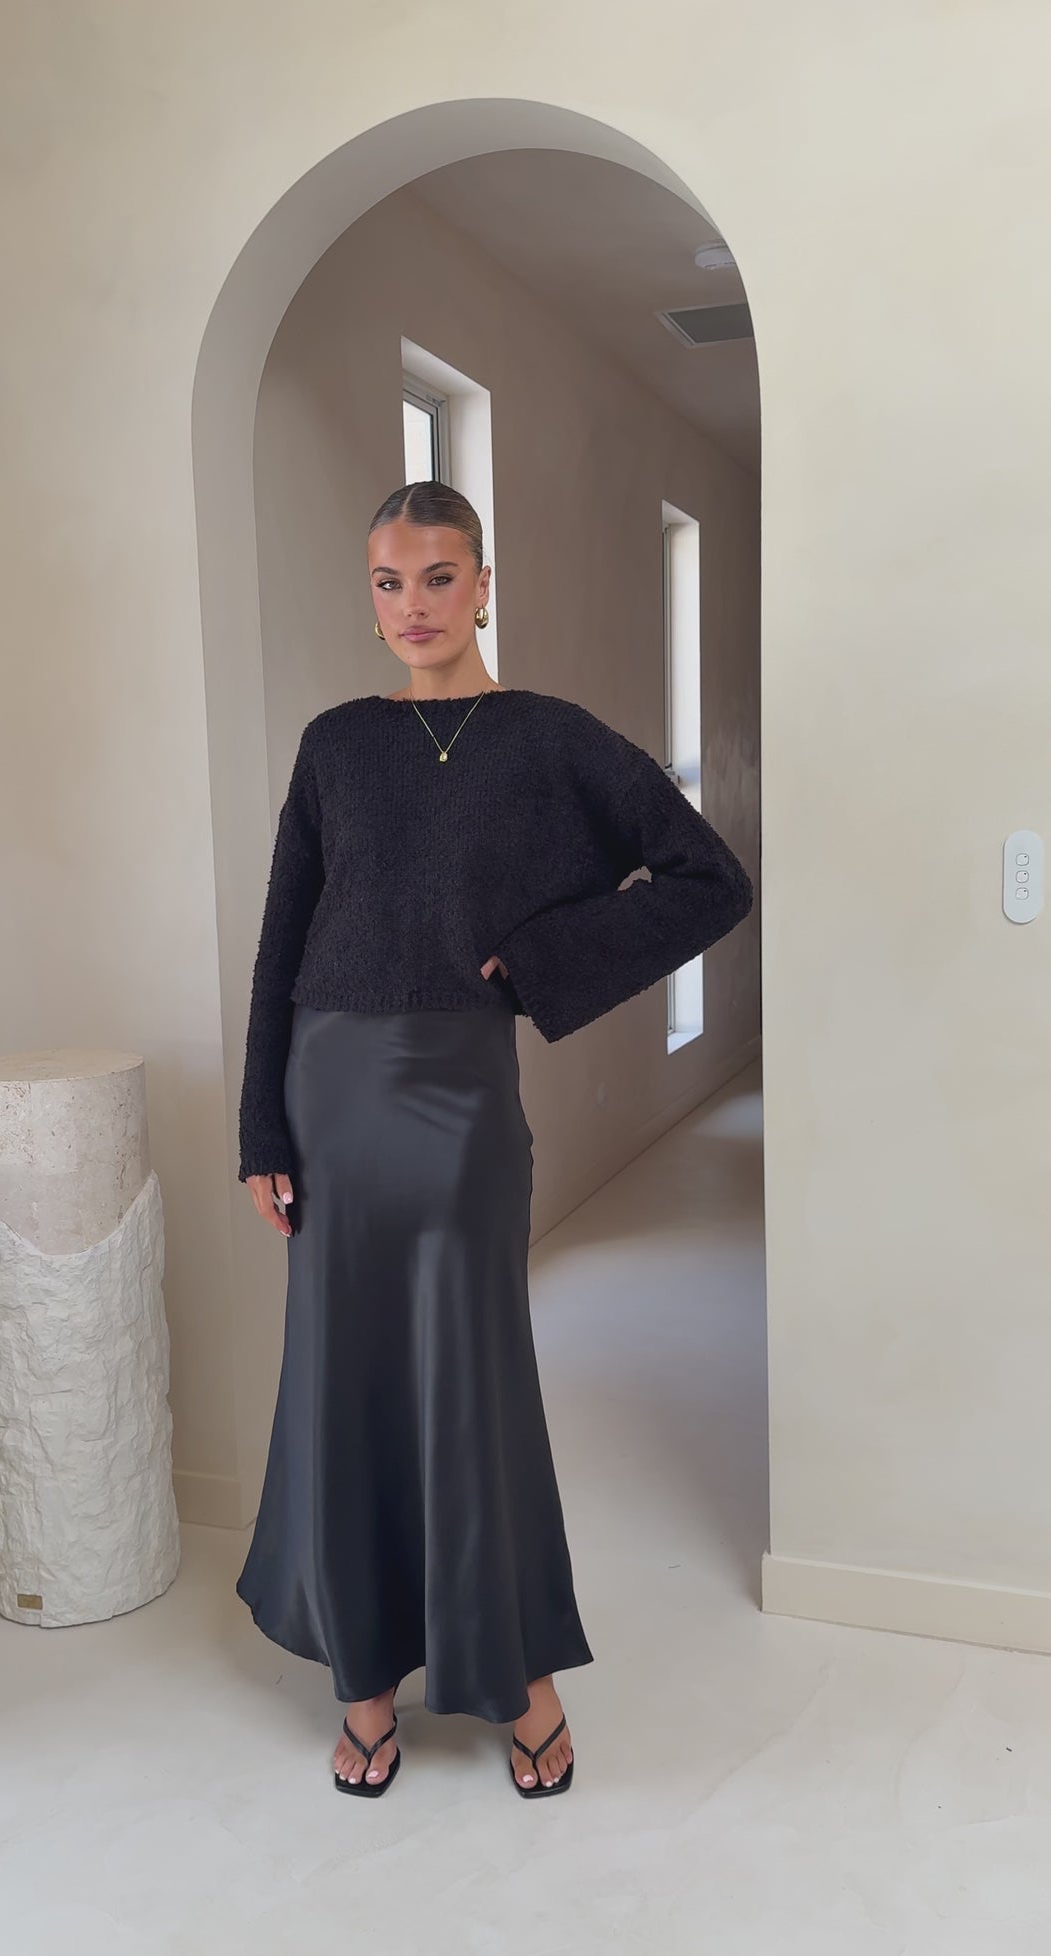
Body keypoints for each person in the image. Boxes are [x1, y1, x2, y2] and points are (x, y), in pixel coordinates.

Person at [235, 480, 753, 1799]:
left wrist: (539, 961)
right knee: (343, 1381)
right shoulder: (336, 746)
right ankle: (365, 1685)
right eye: (388, 582)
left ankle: (519, 1676)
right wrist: (260, 1124)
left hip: (461, 1103)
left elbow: (711, 879)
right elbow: (283, 942)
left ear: (482, 584)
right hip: (329, 1095)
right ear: (372, 597)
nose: (412, 605)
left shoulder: (546, 739)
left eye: (437, 577)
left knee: (476, 1384)